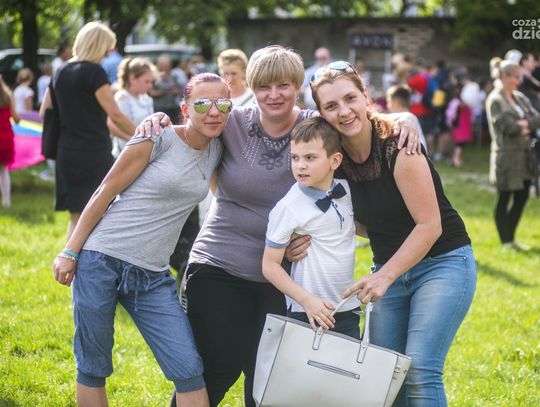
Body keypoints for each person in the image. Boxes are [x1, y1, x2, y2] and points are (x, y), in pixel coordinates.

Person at [140, 45, 420, 407]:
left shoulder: (316, 126)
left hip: (283, 280)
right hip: (219, 267)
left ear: (298, 86)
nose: (274, 94)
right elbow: (191, 128)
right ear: (251, 87)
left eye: (284, 85)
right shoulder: (232, 122)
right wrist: (157, 121)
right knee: (214, 371)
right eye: (264, 86)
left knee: (270, 385)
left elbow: (359, 118)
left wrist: (405, 119)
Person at [51, 72, 230, 407]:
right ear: (185, 109)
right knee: (93, 366)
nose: (213, 111)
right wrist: (70, 251)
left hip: (152, 276)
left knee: (189, 368)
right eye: (202, 104)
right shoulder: (157, 136)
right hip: (101, 259)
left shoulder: (219, 148)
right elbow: (106, 190)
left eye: (222, 104)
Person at [304, 60, 476, 406]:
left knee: (419, 369)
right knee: (384, 376)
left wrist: (384, 277)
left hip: (442, 262)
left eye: (350, 99)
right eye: (331, 105)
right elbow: (359, 221)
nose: (344, 111)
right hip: (389, 269)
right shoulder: (333, 159)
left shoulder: (398, 145)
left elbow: (430, 226)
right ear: (321, 114)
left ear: (366, 97)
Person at [262, 117, 360, 338]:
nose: (300, 165)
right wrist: (306, 300)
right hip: (308, 311)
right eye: (295, 157)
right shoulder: (289, 206)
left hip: (346, 306)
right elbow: (269, 265)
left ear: (335, 161)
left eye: (310, 158)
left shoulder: (345, 190)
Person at [39, 21, 135, 240]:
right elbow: (115, 114)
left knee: (76, 217)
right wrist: (144, 133)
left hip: (66, 150)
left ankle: (68, 260)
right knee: (98, 214)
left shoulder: (60, 71)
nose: (107, 54)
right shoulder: (94, 73)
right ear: (98, 45)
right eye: (107, 48)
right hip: (93, 151)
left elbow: (45, 112)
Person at [486, 60, 540, 251]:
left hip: (524, 156)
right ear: (504, 77)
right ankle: (506, 241)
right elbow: (509, 128)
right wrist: (524, 124)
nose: (519, 81)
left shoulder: (519, 97)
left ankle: (512, 237)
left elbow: (536, 118)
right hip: (506, 158)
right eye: (516, 77)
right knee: (504, 197)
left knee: (522, 197)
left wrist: (523, 125)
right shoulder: (495, 100)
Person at [108, 57, 155, 157]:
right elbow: (112, 125)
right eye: (146, 81)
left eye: (151, 82)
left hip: (143, 151)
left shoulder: (146, 98)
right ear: (132, 78)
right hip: (124, 153)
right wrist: (133, 140)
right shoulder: (122, 98)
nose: (150, 86)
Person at [386, 84, 427, 149]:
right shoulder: (412, 118)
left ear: (396, 103)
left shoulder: (406, 120)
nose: (388, 106)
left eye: (389, 102)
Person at [0, 75, 20, 207]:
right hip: (5, 137)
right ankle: (6, 200)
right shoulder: (8, 97)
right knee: (3, 169)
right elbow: (15, 117)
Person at [150, 54, 182, 125]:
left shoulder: (173, 77)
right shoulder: (153, 77)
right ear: (158, 65)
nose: (165, 67)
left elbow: (178, 90)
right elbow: (150, 92)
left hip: (173, 109)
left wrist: (176, 91)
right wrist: (165, 92)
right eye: (163, 65)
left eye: (167, 65)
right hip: (159, 109)